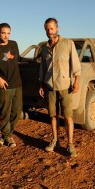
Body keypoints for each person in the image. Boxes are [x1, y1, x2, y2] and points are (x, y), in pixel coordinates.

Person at [38, 18, 81, 157]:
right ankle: (55, 141)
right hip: (50, 85)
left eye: (51, 28)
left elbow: (75, 64)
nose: (49, 31)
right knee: (52, 115)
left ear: (57, 28)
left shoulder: (68, 44)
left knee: (68, 116)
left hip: (65, 86)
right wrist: (41, 84)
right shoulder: (44, 48)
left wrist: (77, 81)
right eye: (47, 29)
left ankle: (70, 144)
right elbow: (42, 68)